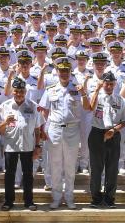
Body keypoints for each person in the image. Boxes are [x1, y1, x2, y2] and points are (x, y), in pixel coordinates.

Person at [39, 57, 91, 209]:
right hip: (54, 129)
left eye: (66, 71)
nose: (64, 73)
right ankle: (56, 197)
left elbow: (87, 108)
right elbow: (44, 111)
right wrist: (44, 129)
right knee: (55, 165)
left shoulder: (77, 89)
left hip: (72, 130)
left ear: (70, 72)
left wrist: (84, 94)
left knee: (70, 166)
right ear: (57, 72)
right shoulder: (50, 89)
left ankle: (69, 197)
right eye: (61, 70)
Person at [0, 77, 44, 211]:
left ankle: (29, 201)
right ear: (13, 91)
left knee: (28, 175)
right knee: (9, 175)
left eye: (22, 91)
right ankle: (8, 201)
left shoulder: (33, 106)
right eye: (17, 91)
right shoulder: (5, 106)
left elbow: (37, 129)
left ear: (25, 92)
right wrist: (5, 122)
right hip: (10, 146)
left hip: (28, 146)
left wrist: (37, 146)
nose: (19, 94)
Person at [87, 71, 125, 208]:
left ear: (115, 84)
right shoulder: (96, 96)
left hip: (113, 134)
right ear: (102, 83)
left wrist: (114, 130)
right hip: (97, 134)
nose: (109, 86)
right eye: (106, 84)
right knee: (96, 168)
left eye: (111, 84)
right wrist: (97, 90)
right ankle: (96, 198)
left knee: (112, 169)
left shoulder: (120, 100)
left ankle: (110, 198)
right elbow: (90, 108)